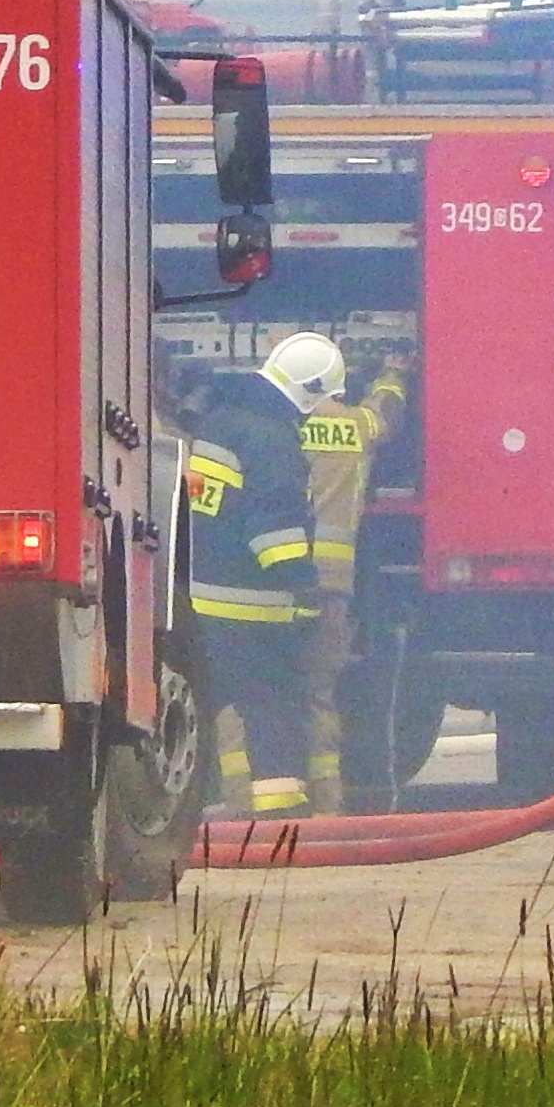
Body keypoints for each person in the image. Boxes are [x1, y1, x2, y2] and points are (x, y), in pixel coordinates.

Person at [184, 340, 325, 814]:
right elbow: (275, 532)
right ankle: (280, 810)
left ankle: (196, 807)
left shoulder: (217, 425)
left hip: (198, 600)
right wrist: (305, 585)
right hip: (253, 606)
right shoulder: (273, 441)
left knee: (201, 707)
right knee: (273, 706)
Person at [287, 336, 407, 810]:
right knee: (320, 694)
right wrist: (392, 373)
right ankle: (326, 809)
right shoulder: (357, 425)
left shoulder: (279, 425)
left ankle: (259, 801)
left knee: (267, 689)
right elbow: (387, 414)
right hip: (333, 587)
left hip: (277, 576)